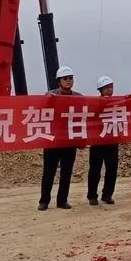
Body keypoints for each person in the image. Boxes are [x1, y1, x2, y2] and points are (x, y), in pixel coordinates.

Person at [39, 65, 81, 211]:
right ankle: (44, 201)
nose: (69, 81)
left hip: (69, 141)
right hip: (53, 141)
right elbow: (40, 110)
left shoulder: (79, 98)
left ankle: (62, 200)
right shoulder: (50, 95)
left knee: (66, 172)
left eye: (71, 78)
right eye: (65, 78)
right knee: (49, 172)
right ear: (59, 81)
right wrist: (48, 100)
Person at [87, 75, 119, 205]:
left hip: (112, 141)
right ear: (100, 89)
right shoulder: (94, 104)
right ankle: (92, 196)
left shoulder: (117, 103)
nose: (109, 90)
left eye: (111, 87)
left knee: (112, 169)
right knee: (95, 170)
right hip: (98, 141)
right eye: (106, 87)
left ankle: (107, 194)